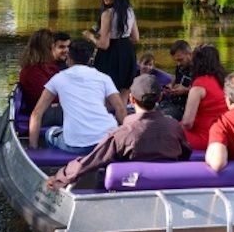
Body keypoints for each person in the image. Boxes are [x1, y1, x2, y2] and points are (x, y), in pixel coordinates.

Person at [45, 73, 191, 190]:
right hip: (169, 189)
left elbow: (90, 161)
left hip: (131, 192)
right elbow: (185, 154)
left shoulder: (122, 133)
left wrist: (60, 177)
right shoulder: (174, 126)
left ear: (131, 99)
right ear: (159, 98)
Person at [29, 39, 125, 156]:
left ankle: (55, 167)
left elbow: (36, 113)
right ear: (90, 60)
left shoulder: (58, 78)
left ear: (68, 58)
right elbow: (120, 108)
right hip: (108, 142)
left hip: (77, 146)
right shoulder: (104, 78)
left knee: (50, 133)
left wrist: (32, 148)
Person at [84, 0, 139, 98]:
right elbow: (135, 38)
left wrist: (91, 37)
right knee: (124, 96)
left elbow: (104, 45)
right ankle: (122, 116)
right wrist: (122, 40)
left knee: (106, 96)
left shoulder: (107, 14)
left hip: (110, 56)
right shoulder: (130, 11)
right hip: (128, 54)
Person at [180, 44, 229, 151]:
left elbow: (187, 123)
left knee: (166, 129)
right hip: (223, 137)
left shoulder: (199, 85)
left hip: (205, 139)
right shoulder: (224, 81)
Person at [18, 29, 63, 128]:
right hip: (45, 113)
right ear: (47, 49)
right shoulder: (32, 71)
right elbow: (49, 97)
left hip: (52, 109)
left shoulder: (47, 66)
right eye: (54, 47)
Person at [156, 39, 193, 121]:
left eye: (180, 60)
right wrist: (170, 85)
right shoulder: (180, 66)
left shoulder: (199, 69)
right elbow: (176, 78)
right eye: (176, 61)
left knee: (160, 118)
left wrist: (185, 90)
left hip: (185, 108)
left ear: (190, 54)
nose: (178, 64)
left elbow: (204, 90)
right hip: (172, 102)